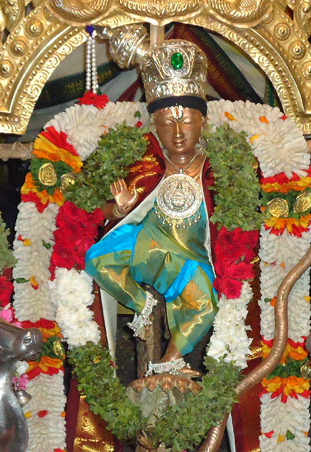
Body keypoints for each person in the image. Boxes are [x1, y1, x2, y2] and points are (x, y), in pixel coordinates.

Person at [84, 40, 216, 377]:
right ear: (154, 124)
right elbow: (97, 212)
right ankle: (142, 305)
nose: (178, 132)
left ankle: (170, 360)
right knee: (97, 258)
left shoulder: (216, 170)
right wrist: (119, 210)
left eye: (186, 121)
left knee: (204, 305)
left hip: (191, 258)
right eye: (167, 122)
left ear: (202, 121)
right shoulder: (147, 165)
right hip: (149, 244)